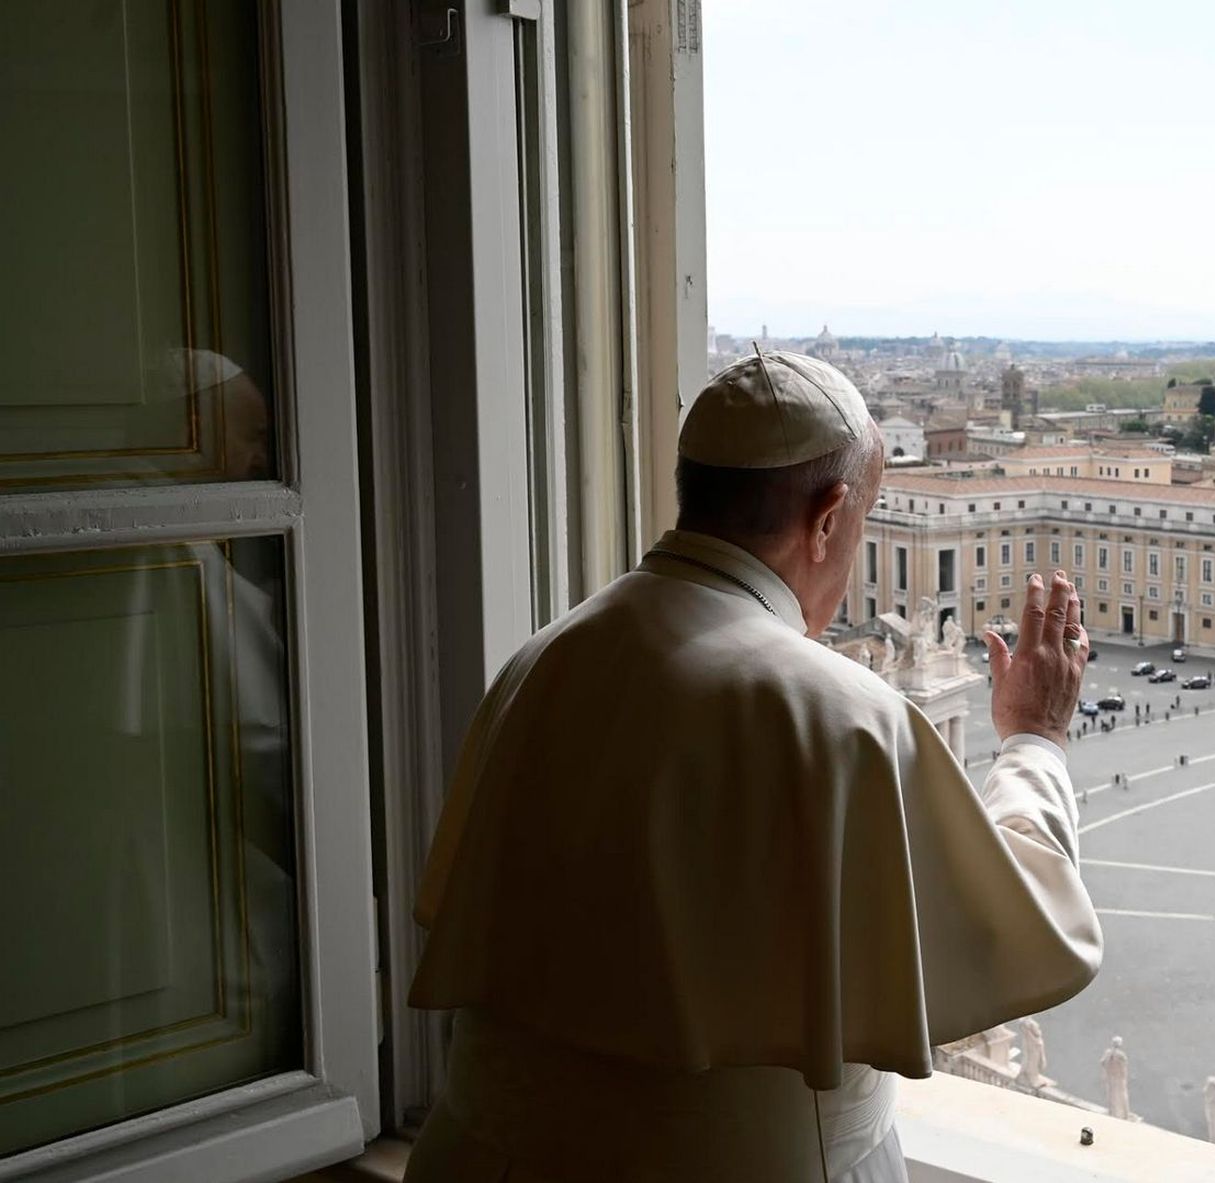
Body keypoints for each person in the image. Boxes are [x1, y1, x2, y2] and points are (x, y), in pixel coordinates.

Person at [405, 352, 1103, 1183]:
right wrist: (1034, 737)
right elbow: (1029, 926)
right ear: (828, 516)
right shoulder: (839, 714)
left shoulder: (537, 662)